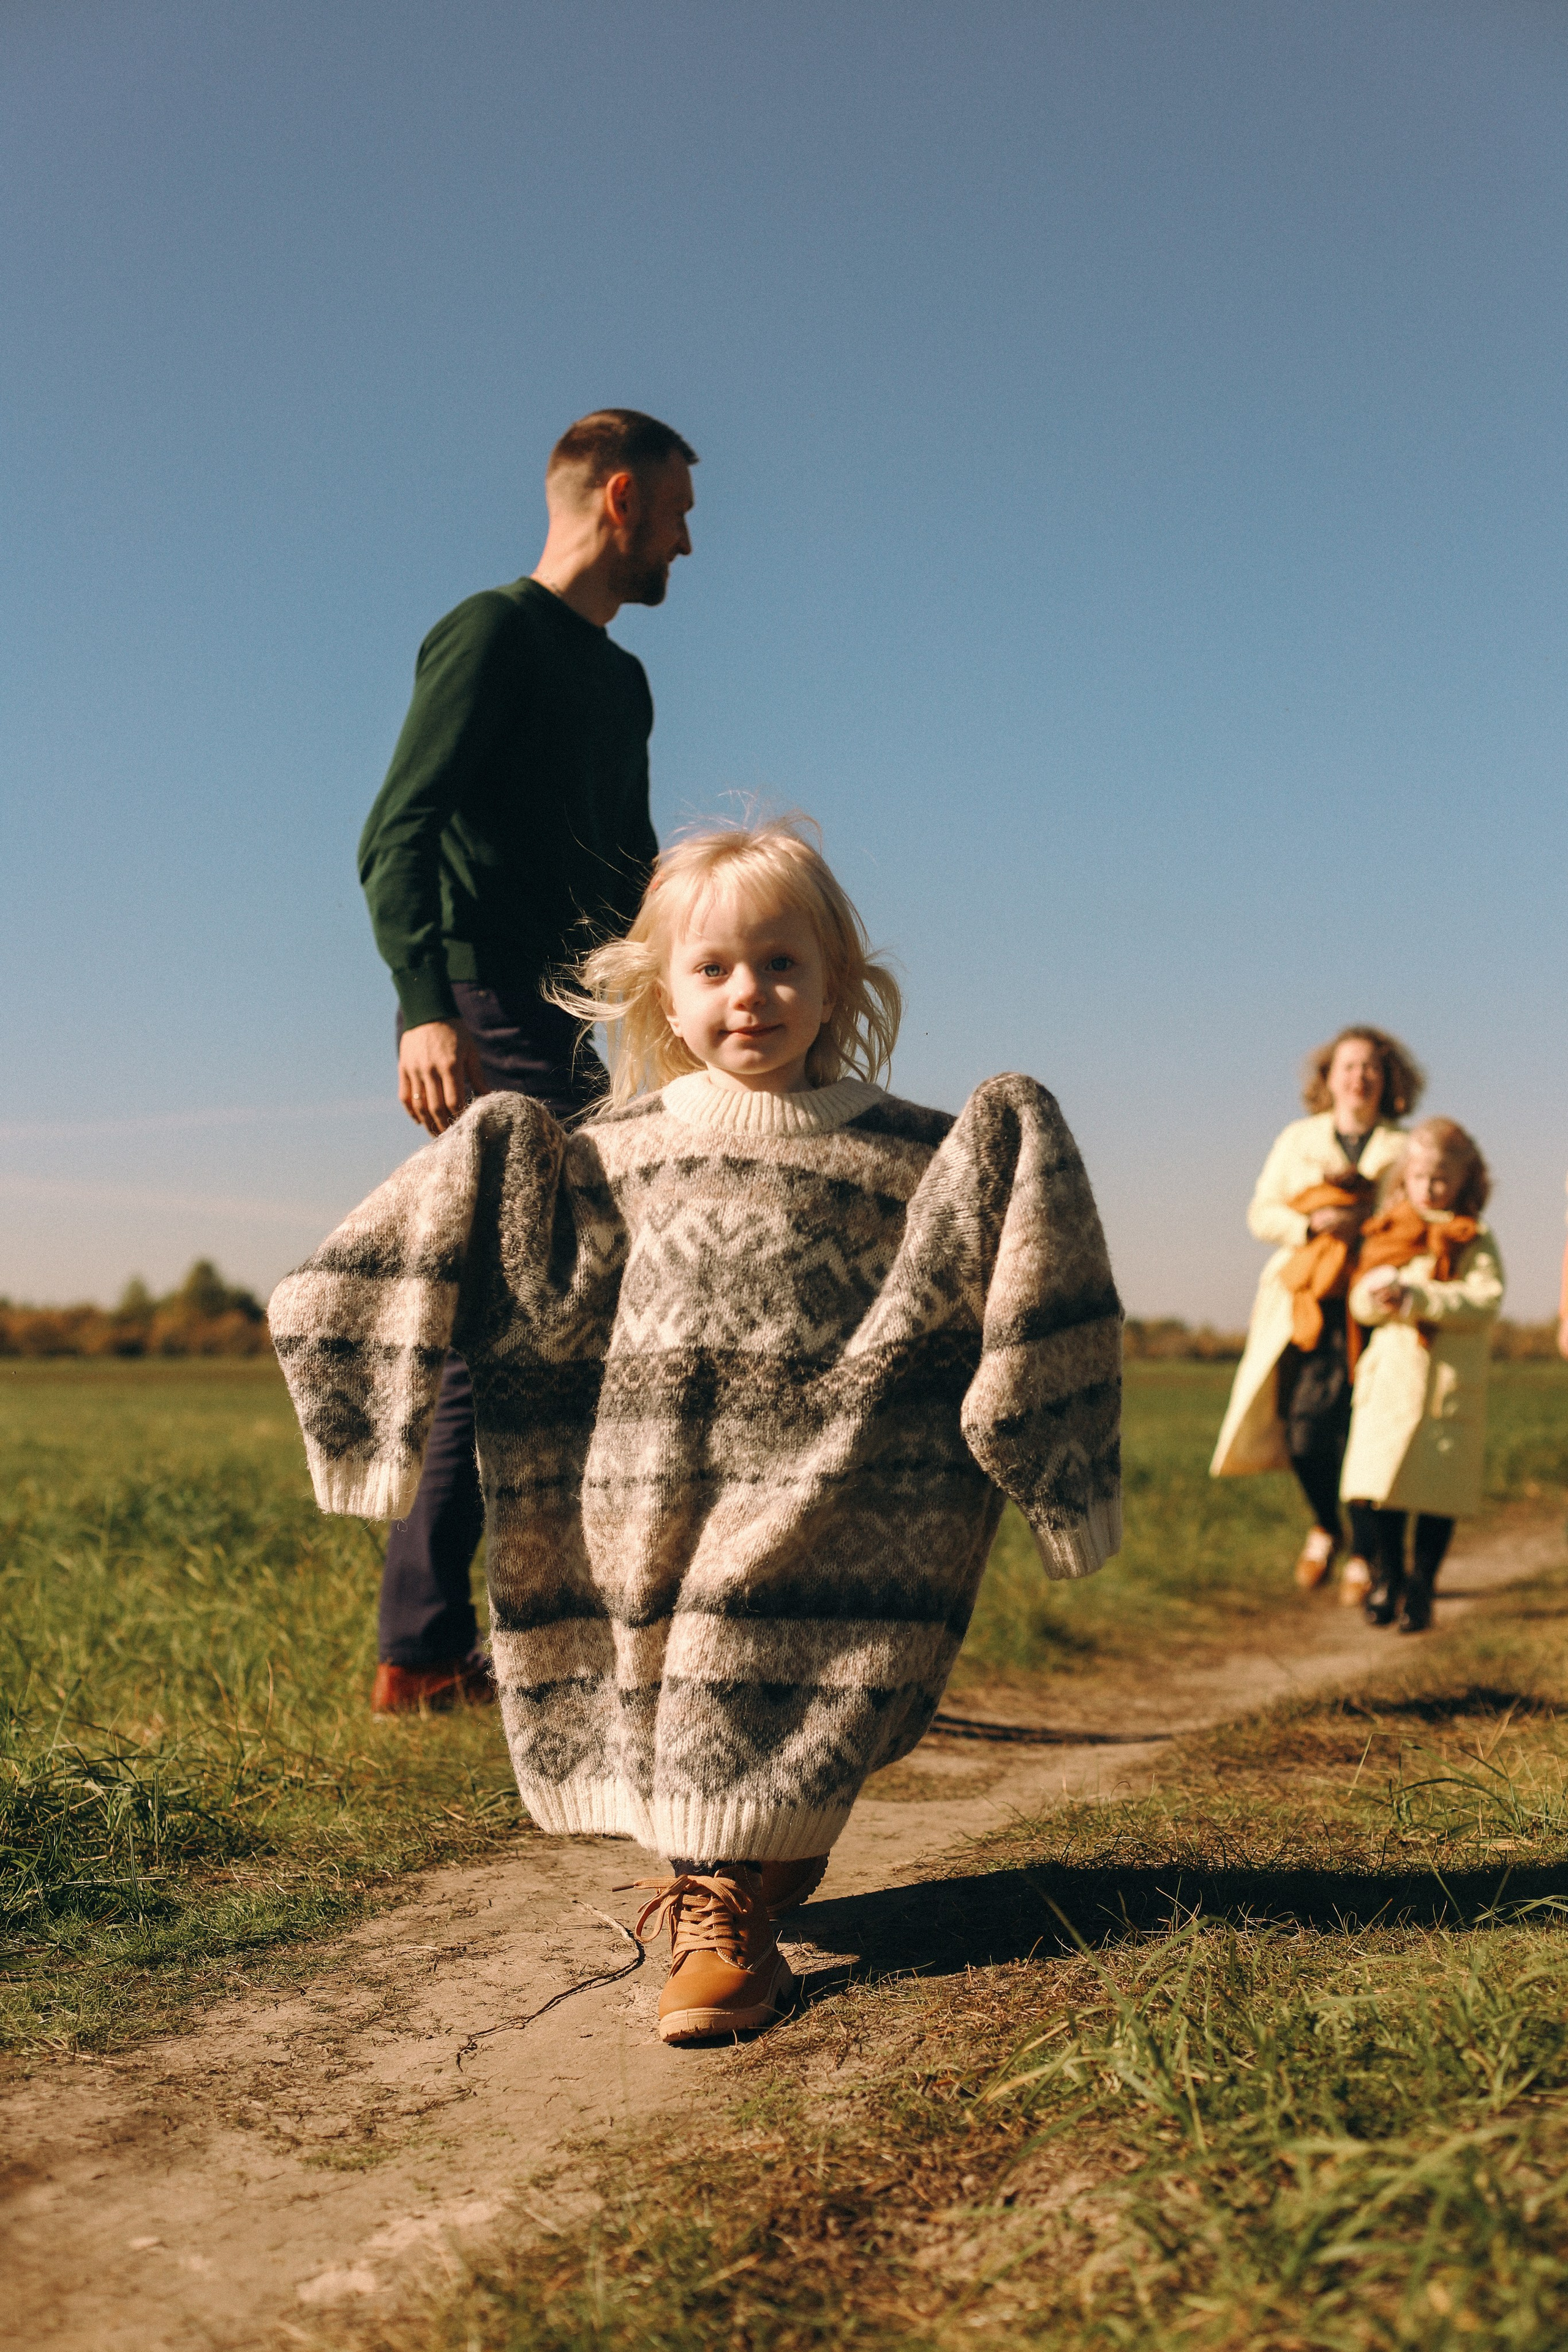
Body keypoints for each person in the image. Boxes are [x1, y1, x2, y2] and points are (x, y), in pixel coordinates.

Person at [270, 817, 1123, 2043]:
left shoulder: (919, 1156)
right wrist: (367, 1426)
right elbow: (371, 1264)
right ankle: (733, 1881)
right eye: (714, 966)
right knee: (684, 1688)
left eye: (782, 962)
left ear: (838, 978)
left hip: (838, 1491)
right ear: (660, 989)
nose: (750, 992)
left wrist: (1061, 1479)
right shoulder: (604, 1154)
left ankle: (727, 1906)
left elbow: (1043, 1287)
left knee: (767, 1673)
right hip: (646, 1493)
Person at [355, 408, 697, 1714]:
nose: (687, 541)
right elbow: (398, 829)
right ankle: (426, 1646)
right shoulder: (490, 632)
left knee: (571, 1318)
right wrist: (422, 1005)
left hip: (578, 1025)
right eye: (676, 509)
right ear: (619, 496)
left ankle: (515, 1630)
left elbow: (632, 868)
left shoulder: (621, 681)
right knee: (502, 1324)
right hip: (487, 1009)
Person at [1210, 1028, 1422, 1594]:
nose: (1360, 1076)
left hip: (1378, 1308)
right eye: (1348, 1066)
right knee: (1305, 1433)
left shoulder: (1406, 1147)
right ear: (1328, 1078)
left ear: (1389, 1079)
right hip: (1306, 1307)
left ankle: (1365, 1553)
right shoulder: (1297, 1140)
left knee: (1367, 1432)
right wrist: (1311, 1224)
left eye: (1372, 1066)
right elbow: (1261, 1212)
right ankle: (1326, 1527)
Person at [1341, 1119, 1503, 1632]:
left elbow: (1485, 1300)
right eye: (1420, 1177)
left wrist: (1420, 1298)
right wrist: (1377, 1296)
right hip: (1392, 1382)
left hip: (1445, 1387)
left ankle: (1423, 1585)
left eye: (1441, 1178)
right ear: (1403, 1178)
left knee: (1437, 1493)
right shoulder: (1389, 1228)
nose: (1430, 1188)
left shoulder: (1472, 1237)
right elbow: (1359, 1300)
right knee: (1384, 1486)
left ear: (1465, 1180)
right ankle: (1388, 1576)